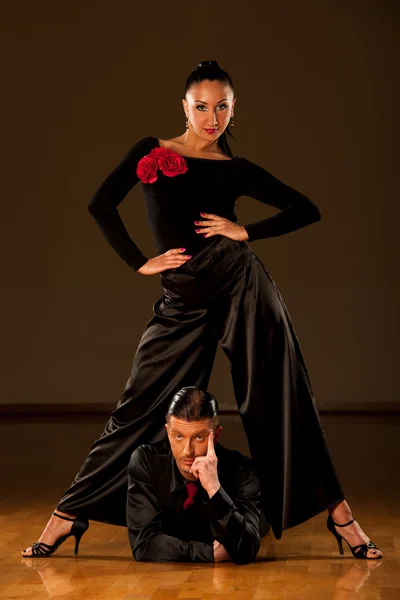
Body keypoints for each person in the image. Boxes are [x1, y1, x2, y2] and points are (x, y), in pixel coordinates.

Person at [22, 60, 382, 560]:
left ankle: (341, 518)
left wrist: (245, 232)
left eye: (222, 107)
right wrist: (139, 262)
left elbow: (305, 208)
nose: (211, 118)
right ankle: (69, 513)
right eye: (201, 107)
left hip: (239, 281)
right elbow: (100, 204)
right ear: (184, 107)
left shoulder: (235, 169)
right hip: (183, 295)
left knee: (282, 394)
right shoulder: (152, 151)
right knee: (138, 404)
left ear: (234, 110)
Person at [127, 387, 268, 564]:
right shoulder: (146, 461)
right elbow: (143, 544)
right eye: (178, 436)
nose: (187, 451)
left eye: (199, 437)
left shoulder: (244, 471)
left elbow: (246, 549)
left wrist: (214, 488)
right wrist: (207, 553)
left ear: (216, 436)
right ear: (167, 432)